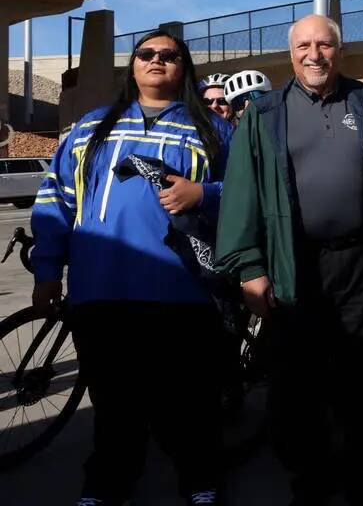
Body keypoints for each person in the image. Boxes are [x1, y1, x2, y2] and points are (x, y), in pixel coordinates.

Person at [31, 30, 234, 506]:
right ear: (133, 65)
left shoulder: (213, 129)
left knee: (186, 403)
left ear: (184, 67)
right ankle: (107, 484)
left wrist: (204, 193)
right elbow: (54, 202)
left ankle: (201, 480)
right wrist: (46, 271)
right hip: (100, 290)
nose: (157, 61)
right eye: (147, 54)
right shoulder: (90, 128)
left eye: (170, 55)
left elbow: (249, 195)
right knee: (114, 403)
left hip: (184, 290)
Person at [216, 14, 363, 505]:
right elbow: (242, 194)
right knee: (298, 384)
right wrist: (250, 267)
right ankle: (311, 478)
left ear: (340, 51)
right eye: (304, 46)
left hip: (362, 264)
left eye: (324, 45)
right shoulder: (264, 114)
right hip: (292, 265)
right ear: (291, 53)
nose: (313, 54)